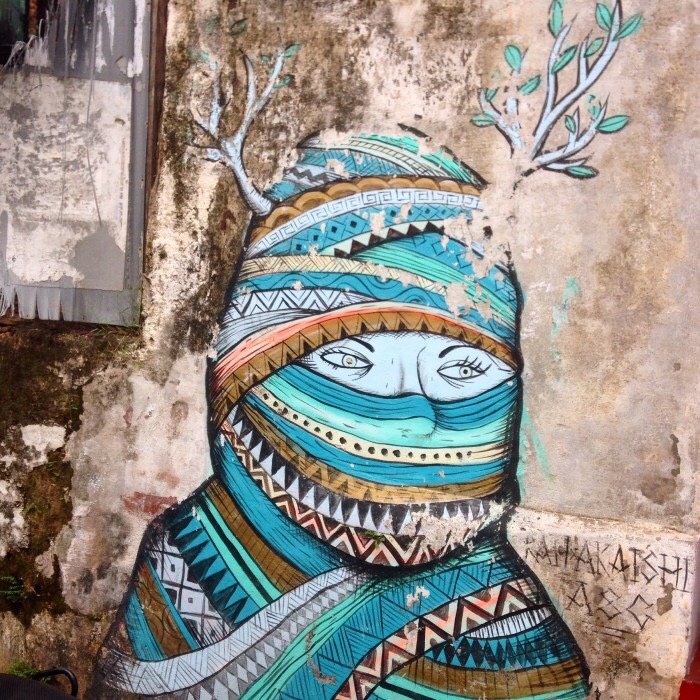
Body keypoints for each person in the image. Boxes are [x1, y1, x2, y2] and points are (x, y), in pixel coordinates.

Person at [95, 133, 591, 699]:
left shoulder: (506, 636)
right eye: (350, 360)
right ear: (246, 375)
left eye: (462, 368)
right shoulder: (184, 550)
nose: (413, 416)